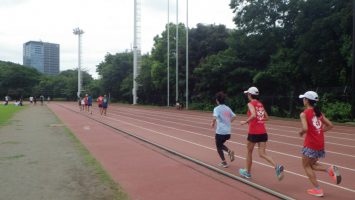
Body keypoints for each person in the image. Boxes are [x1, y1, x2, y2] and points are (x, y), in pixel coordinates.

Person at [298, 91, 341, 197]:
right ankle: (329, 170)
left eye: (304, 98)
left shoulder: (304, 114)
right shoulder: (319, 113)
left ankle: (318, 189)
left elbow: (305, 128)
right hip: (320, 144)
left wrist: (301, 132)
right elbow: (330, 125)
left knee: (306, 166)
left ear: (307, 100)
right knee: (312, 165)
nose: (303, 100)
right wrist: (320, 131)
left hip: (311, 144)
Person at [239, 87, 284, 180]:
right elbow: (267, 117)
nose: (247, 96)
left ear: (250, 95)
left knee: (249, 152)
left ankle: (247, 172)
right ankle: (277, 166)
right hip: (263, 132)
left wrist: (245, 122)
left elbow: (253, 115)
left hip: (253, 132)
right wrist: (259, 120)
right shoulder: (260, 104)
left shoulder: (250, 103)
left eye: (248, 94)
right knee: (262, 154)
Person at [211, 91, 236, 168]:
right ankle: (229, 152)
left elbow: (215, 117)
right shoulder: (227, 108)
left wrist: (212, 123)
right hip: (228, 133)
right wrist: (229, 122)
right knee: (220, 145)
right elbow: (234, 116)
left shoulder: (216, 108)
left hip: (220, 132)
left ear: (217, 100)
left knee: (218, 147)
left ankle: (224, 162)